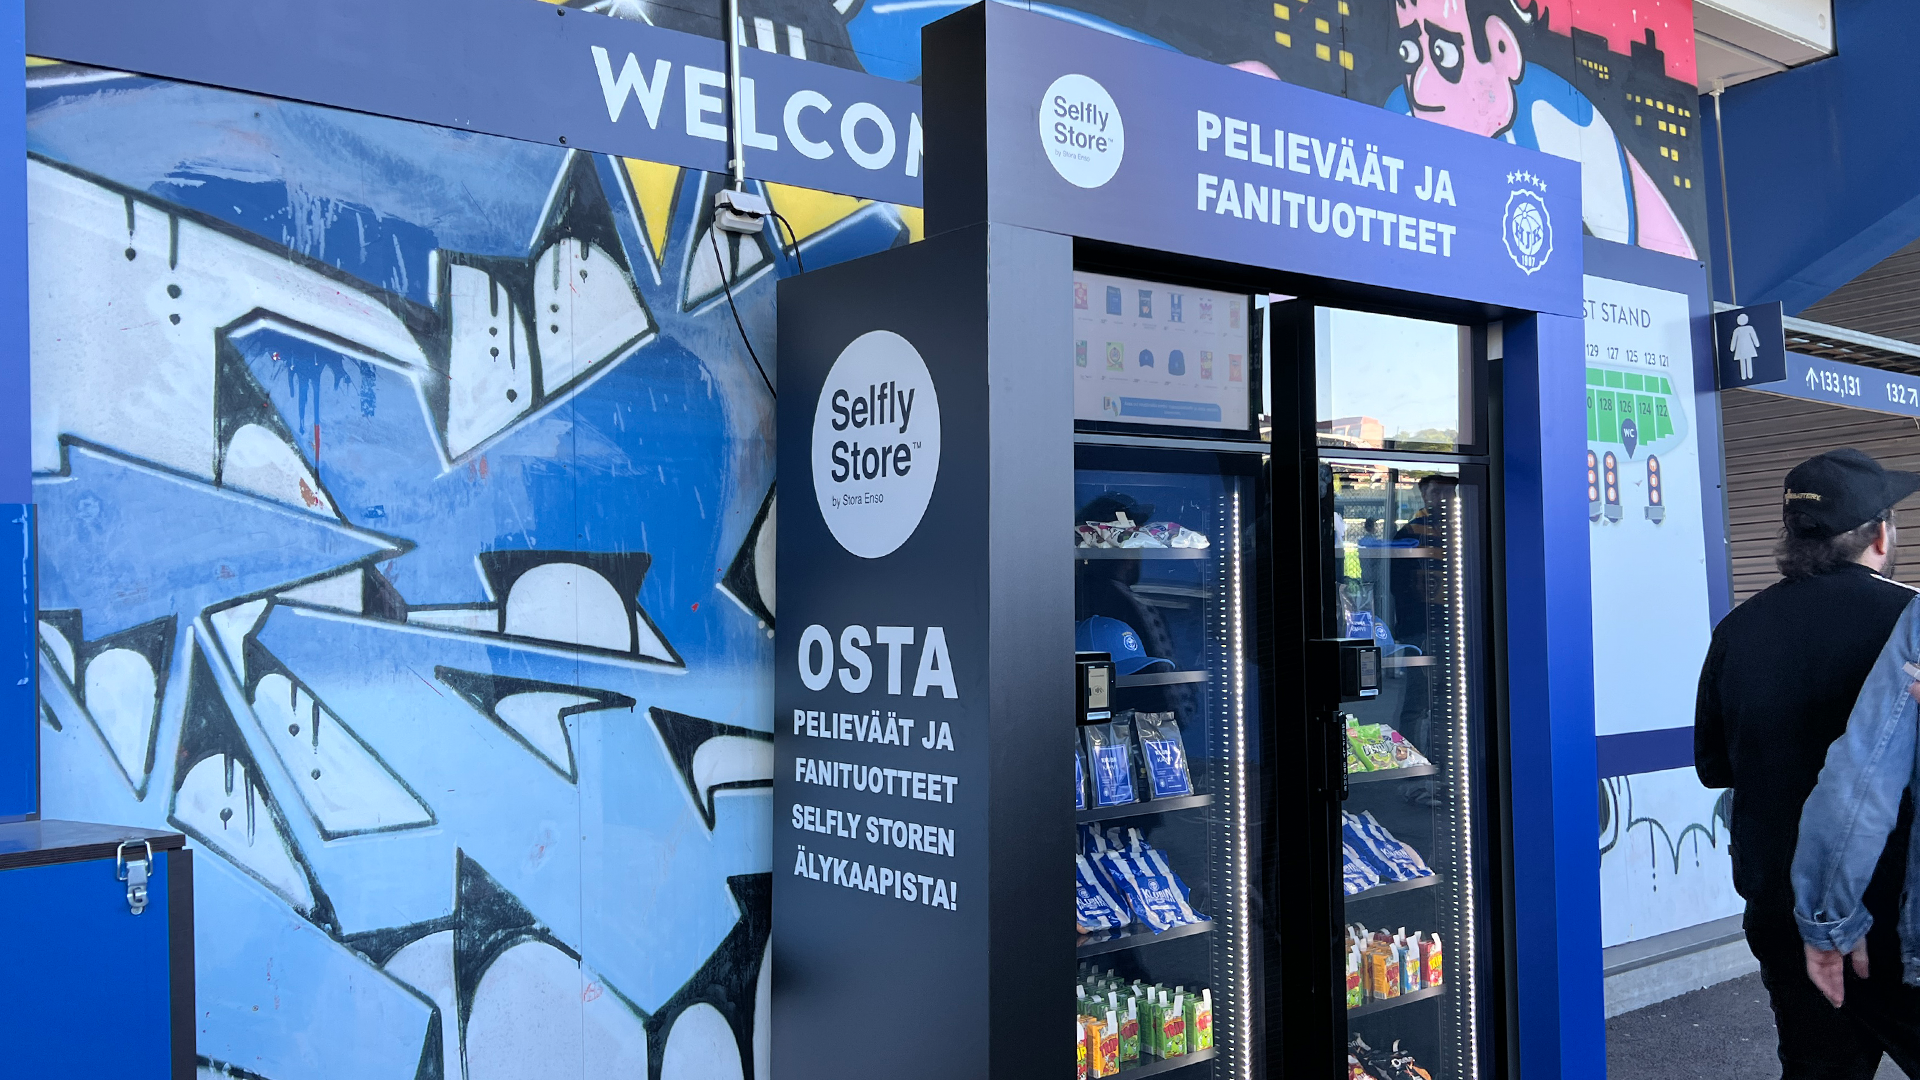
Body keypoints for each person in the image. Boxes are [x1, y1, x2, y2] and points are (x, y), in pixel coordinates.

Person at [1697, 448, 1920, 1078]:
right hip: (1899, 910)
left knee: (1817, 1067)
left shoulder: (1738, 629)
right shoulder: (1909, 621)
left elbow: (1715, 767)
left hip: (1780, 906)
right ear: (1880, 535)